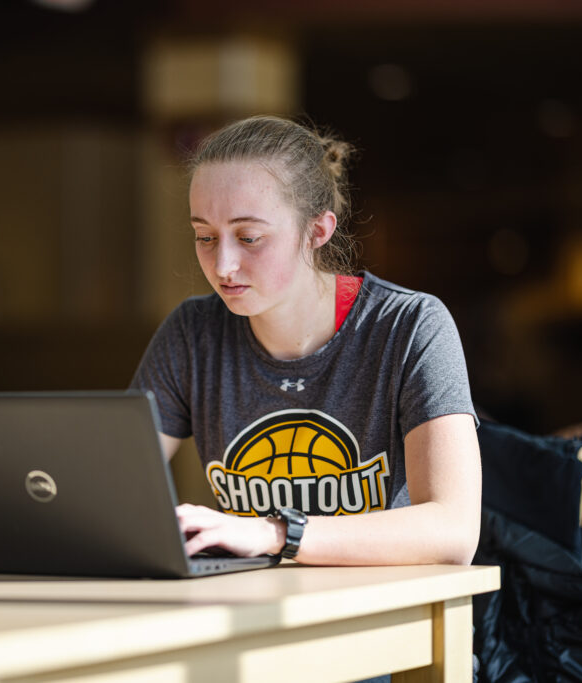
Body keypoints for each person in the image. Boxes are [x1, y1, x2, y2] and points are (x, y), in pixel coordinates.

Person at [131, 114, 481, 567]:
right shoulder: (192, 333)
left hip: (388, 615)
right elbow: (113, 487)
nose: (222, 266)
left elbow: (454, 530)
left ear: (318, 230)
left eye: (249, 237)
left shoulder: (409, 325)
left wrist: (275, 532)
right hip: (259, 611)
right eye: (205, 237)